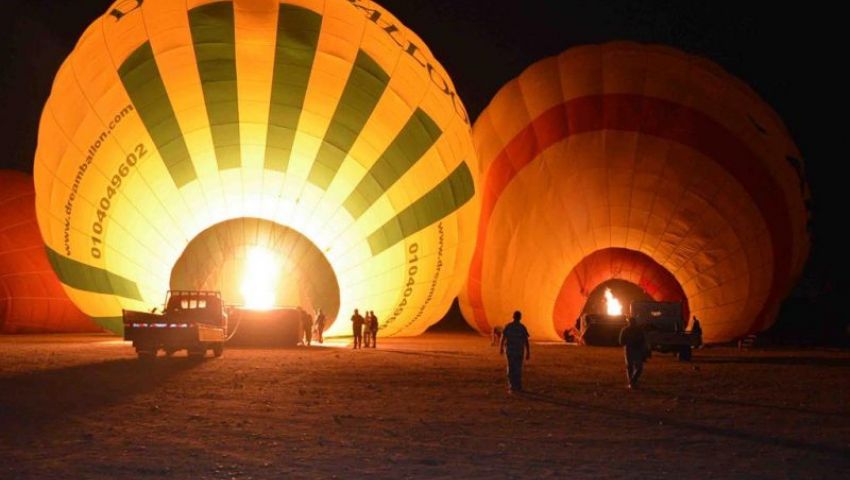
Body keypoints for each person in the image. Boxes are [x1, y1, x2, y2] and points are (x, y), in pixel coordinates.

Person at [499, 310, 530, 393]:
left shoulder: (508, 326)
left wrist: (501, 348)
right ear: (520, 318)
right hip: (519, 351)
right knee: (518, 369)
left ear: (513, 317)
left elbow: (503, 337)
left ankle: (512, 386)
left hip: (510, 350)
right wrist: (528, 352)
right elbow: (526, 340)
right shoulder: (522, 327)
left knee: (511, 368)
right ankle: (518, 386)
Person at [619, 317, 648, 389]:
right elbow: (621, 341)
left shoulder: (637, 331)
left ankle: (632, 381)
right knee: (632, 367)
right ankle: (632, 382)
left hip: (634, 350)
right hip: (631, 349)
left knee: (635, 367)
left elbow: (643, 340)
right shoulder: (626, 330)